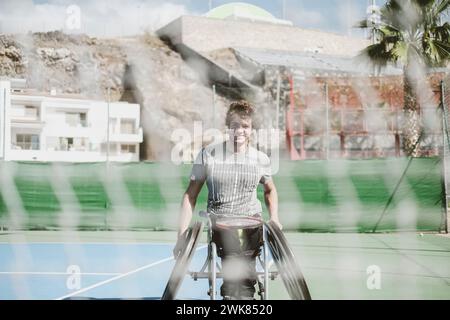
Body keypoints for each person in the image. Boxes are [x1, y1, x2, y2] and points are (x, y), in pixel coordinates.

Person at [175, 100, 281, 300]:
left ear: (252, 130)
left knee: (243, 252)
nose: (239, 131)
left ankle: (238, 292)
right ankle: (238, 293)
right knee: (234, 253)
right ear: (227, 128)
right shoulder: (208, 155)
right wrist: (181, 235)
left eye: (245, 126)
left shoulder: (260, 159)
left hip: (250, 222)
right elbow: (190, 195)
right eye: (234, 126)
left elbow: (270, 190)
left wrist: (275, 217)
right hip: (220, 223)